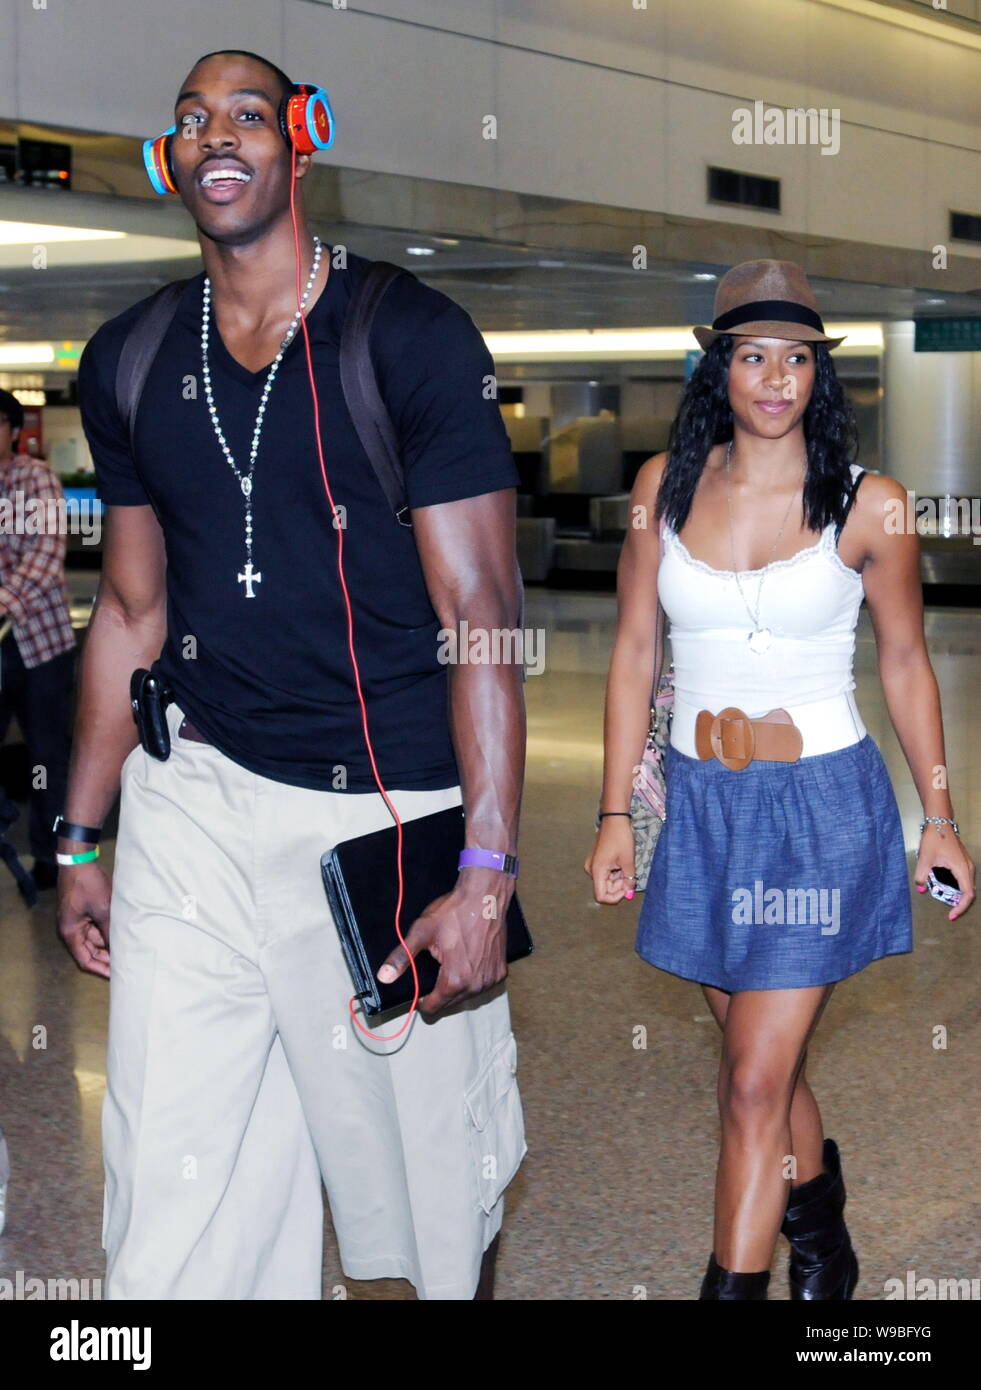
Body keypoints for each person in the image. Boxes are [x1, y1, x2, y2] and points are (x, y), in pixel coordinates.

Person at [58, 49, 527, 1300]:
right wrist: (81, 835)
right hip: (196, 801)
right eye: (192, 120)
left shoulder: (412, 337)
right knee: (176, 1188)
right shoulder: (131, 358)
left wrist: (484, 870)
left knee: (429, 1200)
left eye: (249, 114)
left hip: (384, 815)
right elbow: (130, 608)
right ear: (169, 160)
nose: (219, 135)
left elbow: (480, 613)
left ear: (302, 139)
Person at [586, 260, 975, 1300]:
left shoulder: (867, 504)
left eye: (796, 358)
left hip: (821, 814)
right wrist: (616, 807)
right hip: (703, 813)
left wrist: (938, 815)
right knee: (766, 1068)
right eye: (753, 356)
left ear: (818, 376)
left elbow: (903, 661)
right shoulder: (659, 492)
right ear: (719, 370)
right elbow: (632, 651)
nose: (774, 377)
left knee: (753, 1082)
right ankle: (823, 1226)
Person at [0, 388, 76, 892]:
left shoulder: (35, 477)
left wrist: (3, 603)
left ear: (10, 430)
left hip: (38, 643)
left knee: (47, 756)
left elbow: (47, 554)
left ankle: (52, 858)